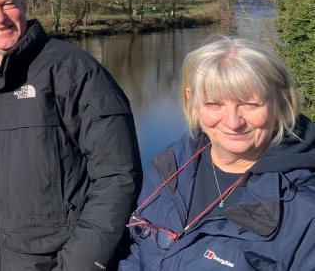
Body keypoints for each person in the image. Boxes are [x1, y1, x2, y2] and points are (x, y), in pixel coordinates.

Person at [0, 0, 142, 271]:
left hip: (52, 262)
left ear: (23, 4)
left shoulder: (75, 71)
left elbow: (118, 176)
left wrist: (78, 264)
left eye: (8, 3)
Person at [118, 36, 315, 270]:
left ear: (280, 102)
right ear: (193, 101)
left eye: (250, 104)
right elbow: (139, 250)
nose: (233, 122)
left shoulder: (304, 209)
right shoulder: (168, 168)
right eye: (214, 104)